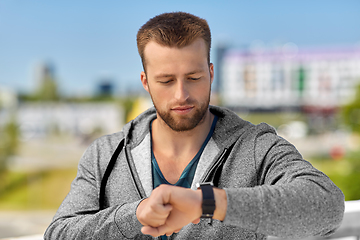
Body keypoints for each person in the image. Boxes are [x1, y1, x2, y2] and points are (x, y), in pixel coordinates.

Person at [44, 12, 344, 240]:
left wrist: (208, 202)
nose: (181, 94)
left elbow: (327, 206)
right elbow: (59, 232)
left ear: (211, 73)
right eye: (165, 81)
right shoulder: (105, 153)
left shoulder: (256, 146)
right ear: (145, 82)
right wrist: (136, 215)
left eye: (194, 78)